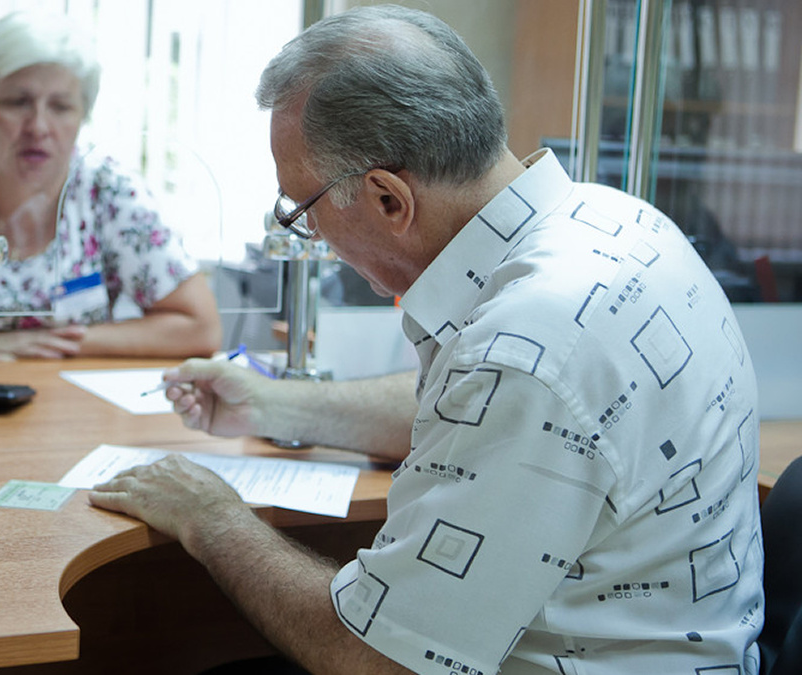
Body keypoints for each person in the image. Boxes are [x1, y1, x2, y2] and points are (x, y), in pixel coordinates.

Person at [88, 6, 764, 675]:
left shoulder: (525, 344)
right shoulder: (613, 218)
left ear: (388, 198)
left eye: (302, 210)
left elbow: (377, 657)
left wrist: (212, 518)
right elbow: (477, 412)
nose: (310, 237)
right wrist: (272, 404)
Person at [0, 10, 222, 360]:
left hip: (73, 402)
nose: (39, 126)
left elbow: (200, 327)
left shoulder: (108, 189)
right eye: (18, 102)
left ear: (82, 117)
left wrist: (54, 342)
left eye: (61, 107)